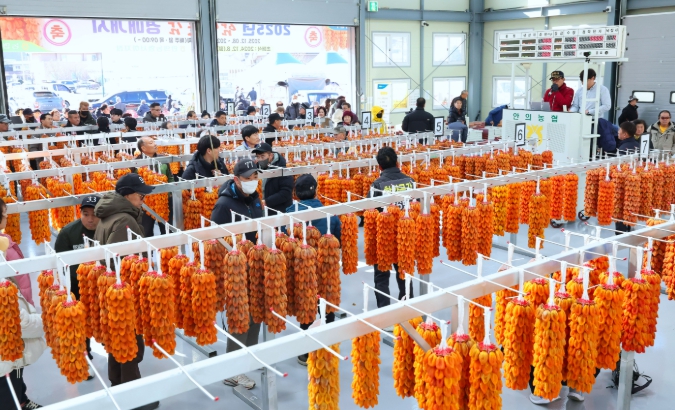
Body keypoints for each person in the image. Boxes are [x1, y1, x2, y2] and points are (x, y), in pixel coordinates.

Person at [93, 174, 159, 410]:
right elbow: (121, 260)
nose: (143, 198)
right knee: (130, 342)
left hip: (110, 287)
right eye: (140, 194)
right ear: (127, 194)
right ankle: (133, 397)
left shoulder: (110, 214)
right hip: (123, 290)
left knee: (117, 339)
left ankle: (117, 384)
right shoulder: (124, 220)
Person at [210, 159, 262, 390]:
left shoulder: (255, 198)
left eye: (255, 177)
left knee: (255, 313)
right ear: (236, 180)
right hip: (236, 268)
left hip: (255, 263)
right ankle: (233, 371)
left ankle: (247, 356)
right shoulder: (224, 204)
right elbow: (215, 239)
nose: (253, 181)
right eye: (248, 178)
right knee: (240, 315)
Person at [285, 174, 341, 365]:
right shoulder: (330, 215)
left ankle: (305, 352)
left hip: (302, 268)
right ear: (316, 190)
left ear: (296, 193)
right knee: (327, 300)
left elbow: (285, 242)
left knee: (306, 301)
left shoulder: (288, 215)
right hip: (326, 266)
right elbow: (338, 240)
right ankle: (328, 345)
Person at [0, 205, 46, 410]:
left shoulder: (5, 241)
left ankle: (22, 400)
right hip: (10, 329)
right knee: (7, 378)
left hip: (19, 305)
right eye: (4, 214)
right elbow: (18, 323)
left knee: (16, 369)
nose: (6, 217)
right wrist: (47, 322)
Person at [54, 194, 101, 367]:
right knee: (79, 323)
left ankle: (109, 346)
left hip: (101, 286)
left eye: (94, 214)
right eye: (85, 214)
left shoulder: (106, 229)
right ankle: (84, 356)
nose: (90, 219)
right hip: (76, 286)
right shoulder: (68, 232)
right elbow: (59, 262)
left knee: (103, 318)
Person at [369, 147, 414, 318]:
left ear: (379, 167)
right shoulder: (410, 182)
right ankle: (408, 310)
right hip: (406, 235)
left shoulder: (377, 185)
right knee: (405, 272)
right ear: (397, 163)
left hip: (384, 238)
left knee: (382, 275)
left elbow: (370, 211)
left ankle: (385, 314)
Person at [135, 137, 174, 237]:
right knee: (146, 231)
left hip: (163, 201)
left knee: (166, 231)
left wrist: (170, 193)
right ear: (143, 148)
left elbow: (170, 177)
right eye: (151, 143)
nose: (155, 144)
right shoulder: (136, 163)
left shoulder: (163, 159)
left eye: (154, 142)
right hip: (145, 203)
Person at [252, 143, 293, 215]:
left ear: (271, 155)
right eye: (258, 157)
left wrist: (267, 201)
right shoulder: (256, 169)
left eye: (263, 156)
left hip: (278, 211)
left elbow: (286, 193)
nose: (260, 159)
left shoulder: (282, 170)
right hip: (261, 209)